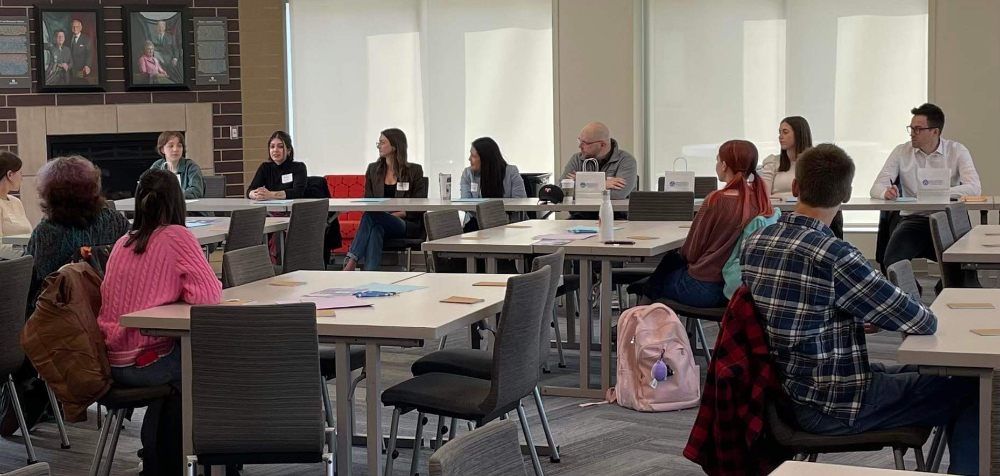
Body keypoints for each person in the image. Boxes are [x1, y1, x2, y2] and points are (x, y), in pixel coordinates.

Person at [742, 143, 978, 475]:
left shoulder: (756, 242)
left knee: (931, 372)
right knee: (973, 389)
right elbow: (919, 320)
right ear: (847, 195)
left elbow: (795, 307)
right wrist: (868, 308)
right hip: (836, 401)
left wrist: (849, 310)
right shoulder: (836, 254)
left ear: (795, 187)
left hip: (786, 390)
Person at [0, 155, 129, 438]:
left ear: (49, 192)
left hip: (61, 331)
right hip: (109, 320)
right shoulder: (116, 222)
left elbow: (37, 289)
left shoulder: (47, 233)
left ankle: (27, 395)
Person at [98, 168, 221, 387]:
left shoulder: (122, 242)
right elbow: (208, 296)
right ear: (177, 201)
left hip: (112, 360)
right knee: (217, 360)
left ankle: (162, 422)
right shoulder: (176, 235)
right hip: (148, 360)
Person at [638, 140, 774, 308]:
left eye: (717, 160)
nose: (717, 165)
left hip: (704, 288)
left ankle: (634, 316)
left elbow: (691, 253)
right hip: (737, 289)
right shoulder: (761, 201)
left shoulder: (717, 200)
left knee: (659, 277)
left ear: (724, 165)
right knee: (666, 268)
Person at [871, 103, 981, 269]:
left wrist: (935, 192)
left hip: (947, 218)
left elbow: (974, 188)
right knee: (892, 263)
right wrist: (885, 192)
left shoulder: (957, 151)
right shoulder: (901, 152)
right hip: (913, 219)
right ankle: (912, 293)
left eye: (918, 129)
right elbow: (876, 187)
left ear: (935, 132)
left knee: (960, 266)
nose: (912, 134)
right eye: (911, 128)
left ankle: (944, 291)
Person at [343, 128, 427, 271]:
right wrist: (383, 216)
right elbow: (368, 201)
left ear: (394, 146)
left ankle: (352, 260)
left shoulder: (414, 171)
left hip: (405, 223)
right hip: (379, 219)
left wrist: (397, 214)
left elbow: (420, 205)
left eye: (382, 142)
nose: (378, 146)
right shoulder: (373, 170)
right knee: (376, 229)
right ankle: (370, 275)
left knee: (372, 216)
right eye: (378, 143)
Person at [758, 116, 844, 238]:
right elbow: (763, 194)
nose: (780, 136)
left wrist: (780, 197)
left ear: (799, 134)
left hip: (811, 211)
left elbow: (821, 194)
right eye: (780, 132)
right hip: (780, 213)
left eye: (785, 132)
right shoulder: (772, 161)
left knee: (834, 212)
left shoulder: (818, 162)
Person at [561, 122, 637, 219]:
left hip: (615, 218)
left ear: (602, 145)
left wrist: (581, 183)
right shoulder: (576, 158)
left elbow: (619, 194)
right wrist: (603, 184)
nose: (580, 146)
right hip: (580, 217)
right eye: (580, 140)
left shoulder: (626, 161)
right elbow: (564, 190)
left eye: (585, 143)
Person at [460, 137, 526, 231]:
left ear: (485, 159)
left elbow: (520, 202)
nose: (469, 159)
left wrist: (499, 219)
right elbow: (467, 203)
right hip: (477, 222)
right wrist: (489, 218)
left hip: (510, 224)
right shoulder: (467, 174)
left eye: (474, 156)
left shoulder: (511, 172)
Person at [246, 131, 308, 200]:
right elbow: (250, 190)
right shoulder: (265, 167)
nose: (275, 150)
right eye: (272, 147)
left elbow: (298, 192)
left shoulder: (298, 167)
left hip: (292, 208)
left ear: (288, 150)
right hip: (271, 208)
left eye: (280, 147)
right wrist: (256, 194)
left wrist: (270, 195)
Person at [150, 131, 204, 199]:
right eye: (171, 146)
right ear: (162, 149)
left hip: (186, 208)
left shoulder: (191, 167)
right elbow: (148, 189)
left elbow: (196, 192)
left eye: (179, 146)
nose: (175, 149)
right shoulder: (157, 166)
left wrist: (173, 195)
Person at [0, 152, 32, 261]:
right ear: (10, 175)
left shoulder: (16, 202)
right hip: (8, 265)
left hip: (26, 261)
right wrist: (29, 255)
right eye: (20, 173)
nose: (21, 178)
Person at [68, 19, 94, 85]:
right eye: (73, 26)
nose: (75, 28)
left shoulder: (86, 39)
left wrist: (87, 65)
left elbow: (89, 54)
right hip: (69, 70)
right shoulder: (67, 38)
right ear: (71, 27)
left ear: (81, 28)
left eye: (77, 26)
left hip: (81, 70)